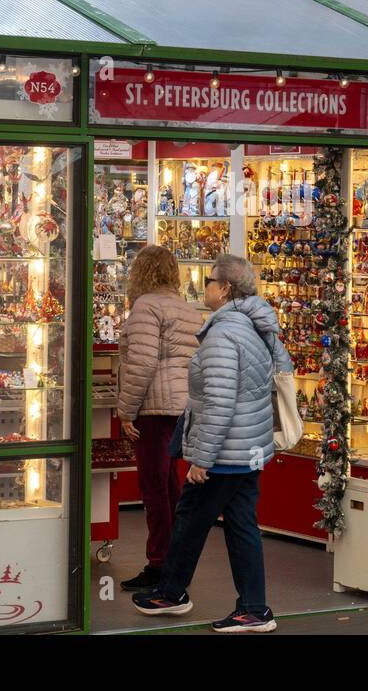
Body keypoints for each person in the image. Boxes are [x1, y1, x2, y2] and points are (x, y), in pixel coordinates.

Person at [132, 254, 292, 633]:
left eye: (208, 280)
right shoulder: (253, 327)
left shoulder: (224, 335)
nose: (202, 285)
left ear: (224, 289)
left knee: (191, 518)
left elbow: (220, 400)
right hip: (247, 446)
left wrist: (202, 459)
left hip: (225, 451)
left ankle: (173, 593)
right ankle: (249, 607)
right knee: (237, 524)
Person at [115, 246, 201, 592]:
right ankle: (173, 560)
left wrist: (126, 410)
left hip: (153, 408)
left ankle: (159, 564)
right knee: (170, 487)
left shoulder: (146, 307)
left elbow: (142, 363)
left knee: (154, 489)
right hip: (181, 407)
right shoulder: (187, 309)